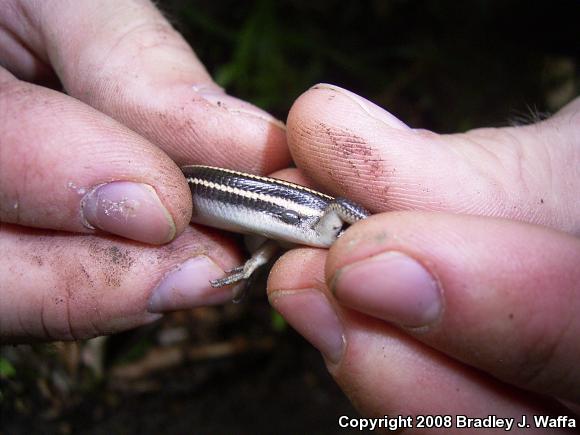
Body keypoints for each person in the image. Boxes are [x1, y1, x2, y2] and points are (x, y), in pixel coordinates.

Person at [1, 0, 578, 427]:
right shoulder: (328, 217)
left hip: (261, 209)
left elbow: (281, 237)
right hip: (212, 188)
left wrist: (254, 268)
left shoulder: (329, 228)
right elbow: (316, 219)